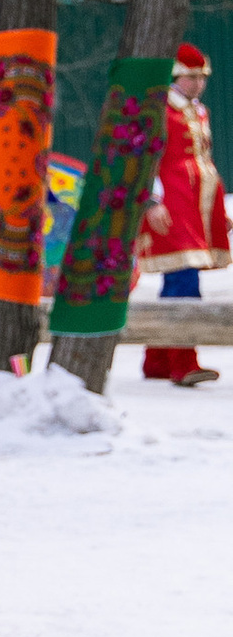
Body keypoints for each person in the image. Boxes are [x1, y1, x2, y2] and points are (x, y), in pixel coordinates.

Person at [140, 41, 228, 386]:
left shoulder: (198, 111)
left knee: (180, 279)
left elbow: (201, 162)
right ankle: (183, 363)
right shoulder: (159, 109)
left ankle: (157, 359)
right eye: (191, 76)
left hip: (197, 207)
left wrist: (215, 214)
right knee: (183, 280)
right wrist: (151, 201)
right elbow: (146, 159)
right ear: (175, 75)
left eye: (202, 76)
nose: (198, 83)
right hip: (171, 206)